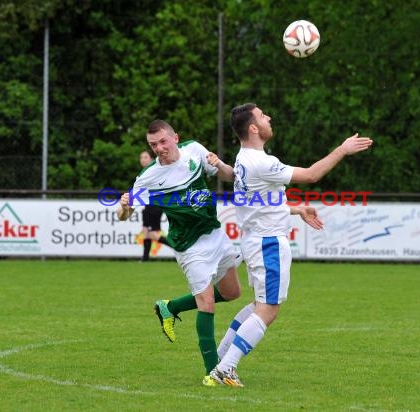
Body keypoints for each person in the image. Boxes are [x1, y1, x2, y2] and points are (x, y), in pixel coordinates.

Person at [209, 103, 373, 387]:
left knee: (260, 305)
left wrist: (296, 210)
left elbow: (261, 201)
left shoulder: (244, 158)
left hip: (256, 240)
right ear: (253, 128)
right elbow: (311, 175)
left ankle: (221, 361)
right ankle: (226, 368)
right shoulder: (261, 162)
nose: (268, 117)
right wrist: (342, 149)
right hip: (269, 242)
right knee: (268, 310)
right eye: (262, 116)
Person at [117, 119, 242, 386]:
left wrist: (219, 164)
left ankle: (169, 307)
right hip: (190, 246)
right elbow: (122, 215)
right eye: (153, 145)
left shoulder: (194, 150)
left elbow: (229, 176)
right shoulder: (149, 177)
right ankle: (213, 374)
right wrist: (124, 206)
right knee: (206, 303)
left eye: (163, 141)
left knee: (233, 293)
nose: (159, 148)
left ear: (176, 138)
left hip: (215, 233)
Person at [137, 150, 170, 261]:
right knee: (145, 231)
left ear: (151, 159)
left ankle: (178, 248)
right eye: (141, 157)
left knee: (153, 235)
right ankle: (145, 259)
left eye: (145, 157)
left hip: (155, 205)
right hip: (148, 206)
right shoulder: (143, 172)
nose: (143, 159)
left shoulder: (154, 171)